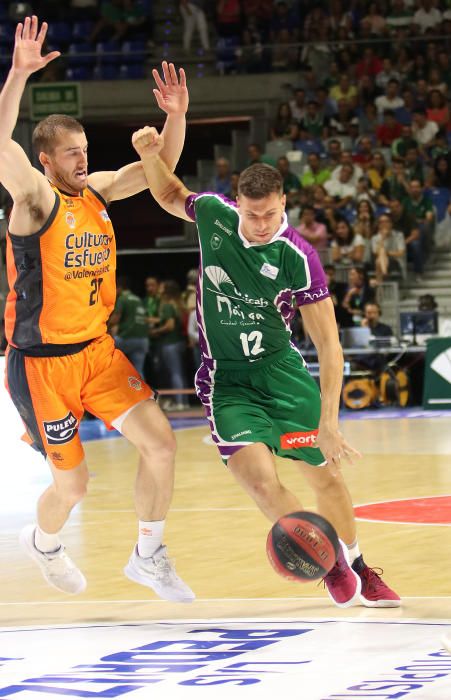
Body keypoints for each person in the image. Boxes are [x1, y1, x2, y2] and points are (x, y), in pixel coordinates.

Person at [131, 125, 401, 608]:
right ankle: (332, 566)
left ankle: (360, 564)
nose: (261, 223)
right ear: (237, 203)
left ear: (284, 205)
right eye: (253, 214)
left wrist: (330, 423)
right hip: (227, 381)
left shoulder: (300, 256)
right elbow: (171, 192)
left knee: (325, 478)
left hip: (282, 375)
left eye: (271, 214)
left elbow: (329, 345)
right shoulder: (215, 216)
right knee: (257, 478)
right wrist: (152, 155)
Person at [0, 17, 194, 603]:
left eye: (85, 150)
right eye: (71, 153)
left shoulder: (99, 192)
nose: (83, 159)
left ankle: (149, 553)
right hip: (41, 365)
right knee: (74, 484)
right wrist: (17, 74)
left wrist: (175, 118)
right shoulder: (34, 201)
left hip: (97, 353)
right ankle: (45, 543)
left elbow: (156, 174)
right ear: (45, 159)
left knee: (161, 443)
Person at [109, 275, 149, 377]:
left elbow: (116, 318)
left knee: (106, 357)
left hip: (126, 338)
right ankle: (143, 393)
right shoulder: (137, 299)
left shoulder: (122, 298)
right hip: (143, 339)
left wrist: (105, 327)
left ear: (119, 288)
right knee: (138, 371)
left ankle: (114, 390)